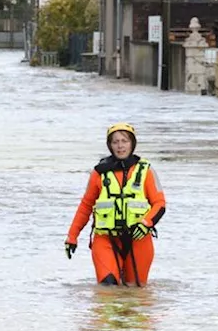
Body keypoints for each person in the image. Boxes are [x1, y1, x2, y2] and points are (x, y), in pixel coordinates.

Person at [65, 123, 167, 286]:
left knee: (135, 294)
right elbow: (85, 206)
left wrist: (146, 224)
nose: (120, 146)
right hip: (105, 239)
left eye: (124, 141)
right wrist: (72, 236)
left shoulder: (146, 171)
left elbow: (159, 204)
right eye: (115, 142)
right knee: (107, 289)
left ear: (132, 144)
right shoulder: (99, 173)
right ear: (110, 146)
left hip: (138, 239)